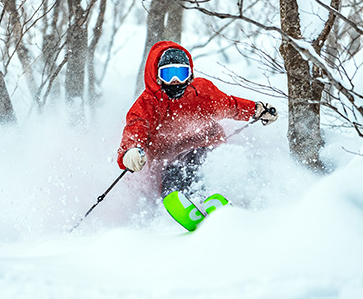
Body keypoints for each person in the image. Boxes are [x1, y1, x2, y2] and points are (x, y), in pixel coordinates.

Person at [117, 41, 277, 198]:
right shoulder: (148, 103)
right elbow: (136, 127)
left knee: (202, 161)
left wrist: (256, 110)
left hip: (206, 145)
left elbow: (230, 106)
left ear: (190, 75)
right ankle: (180, 203)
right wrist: (130, 151)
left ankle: (233, 196)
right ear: (158, 77)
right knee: (176, 170)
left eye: (181, 74)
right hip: (168, 160)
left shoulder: (202, 92)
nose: (175, 81)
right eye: (168, 74)